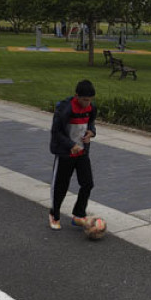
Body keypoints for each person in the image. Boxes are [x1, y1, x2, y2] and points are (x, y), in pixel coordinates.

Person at [48, 80, 98, 230]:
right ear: (76, 96)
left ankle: (78, 215)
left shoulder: (91, 108)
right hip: (65, 153)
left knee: (87, 183)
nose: (87, 103)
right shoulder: (65, 109)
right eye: (84, 99)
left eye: (90, 100)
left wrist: (91, 132)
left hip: (82, 152)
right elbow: (56, 132)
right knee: (61, 186)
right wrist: (71, 145)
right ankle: (54, 215)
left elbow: (91, 123)